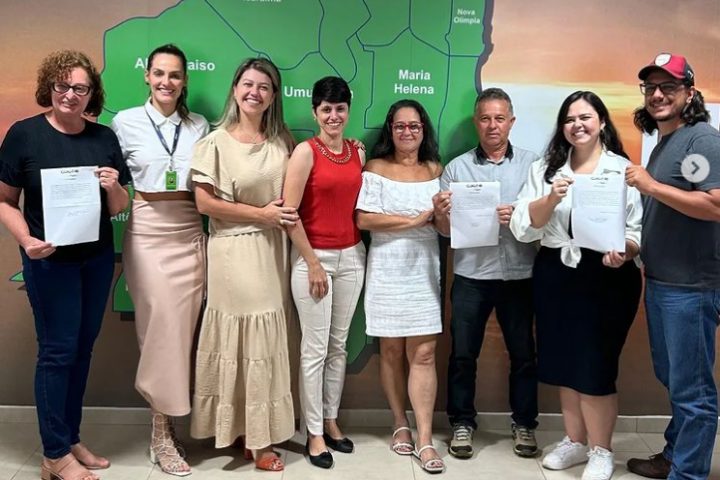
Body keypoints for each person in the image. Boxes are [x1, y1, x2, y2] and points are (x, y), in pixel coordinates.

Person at [0, 50, 130, 480]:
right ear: (49, 87)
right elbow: (4, 201)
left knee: (81, 349)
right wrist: (26, 241)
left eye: (80, 88)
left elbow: (118, 206)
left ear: (91, 94)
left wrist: (114, 186)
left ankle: (69, 438)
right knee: (57, 352)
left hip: (95, 260)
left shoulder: (103, 138)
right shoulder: (24, 135)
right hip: (49, 262)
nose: (70, 94)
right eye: (62, 85)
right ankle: (54, 455)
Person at [510, 90, 642, 480]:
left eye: (585, 117)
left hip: (607, 275)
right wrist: (551, 197)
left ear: (601, 122)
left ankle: (602, 450)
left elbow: (636, 231)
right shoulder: (545, 168)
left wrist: (625, 251)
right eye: (569, 119)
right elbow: (524, 225)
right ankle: (575, 440)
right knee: (562, 360)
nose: (577, 125)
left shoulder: (621, 169)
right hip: (556, 272)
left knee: (595, 364)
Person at [189, 57, 296, 472]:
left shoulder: (282, 142)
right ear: (235, 89)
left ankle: (251, 431)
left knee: (264, 340)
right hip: (233, 251)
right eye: (248, 84)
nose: (255, 92)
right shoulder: (214, 143)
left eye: (264, 87)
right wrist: (262, 215)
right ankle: (254, 439)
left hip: (272, 250)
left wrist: (272, 222)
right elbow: (205, 203)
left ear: (273, 96)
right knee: (244, 336)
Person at [110, 44, 208, 477]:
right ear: (147, 77)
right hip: (148, 230)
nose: (167, 82)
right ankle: (160, 433)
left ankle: (169, 425)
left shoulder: (199, 124)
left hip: (189, 229)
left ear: (184, 81)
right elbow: (114, 180)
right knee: (158, 329)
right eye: (159, 74)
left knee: (181, 333)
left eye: (175, 75)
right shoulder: (126, 121)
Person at [625, 53, 720, 480]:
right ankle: (674, 456)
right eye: (651, 88)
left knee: (693, 390)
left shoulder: (702, 140)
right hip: (664, 282)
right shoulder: (668, 142)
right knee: (674, 378)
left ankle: (688, 473)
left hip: (692, 287)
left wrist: (650, 185)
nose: (658, 95)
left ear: (690, 93)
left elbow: (715, 204)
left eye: (669, 87)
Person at [433, 88, 540, 459]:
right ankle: (462, 423)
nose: (492, 125)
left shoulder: (533, 165)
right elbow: (445, 232)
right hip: (472, 277)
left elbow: (546, 220)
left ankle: (524, 424)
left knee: (524, 356)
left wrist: (521, 216)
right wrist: (441, 214)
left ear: (511, 122)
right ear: (476, 122)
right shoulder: (456, 169)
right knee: (463, 356)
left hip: (520, 275)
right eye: (485, 118)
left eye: (499, 118)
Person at [356, 99, 445, 474]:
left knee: (424, 354)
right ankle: (399, 423)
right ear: (390, 131)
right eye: (400, 126)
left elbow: (444, 227)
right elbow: (364, 219)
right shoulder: (375, 168)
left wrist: (440, 218)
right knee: (391, 352)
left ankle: (425, 439)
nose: (407, 132)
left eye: (414, 126)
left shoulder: (436, 169)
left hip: (424, 269)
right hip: (387, 268)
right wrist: (413, 221)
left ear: (424, 130)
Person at [283, 76, 366, 469]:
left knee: (338, 346)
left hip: (353, 256)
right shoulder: (305, 153)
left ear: (348, 110)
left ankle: (331, 420)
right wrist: (313, 263)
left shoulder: (357, 152)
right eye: (326, 109)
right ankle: (313, 433)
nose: (334, 116)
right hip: (313, 258)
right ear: (315, 112)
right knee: (314, 350)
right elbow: (289, 214)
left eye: (340, 108)